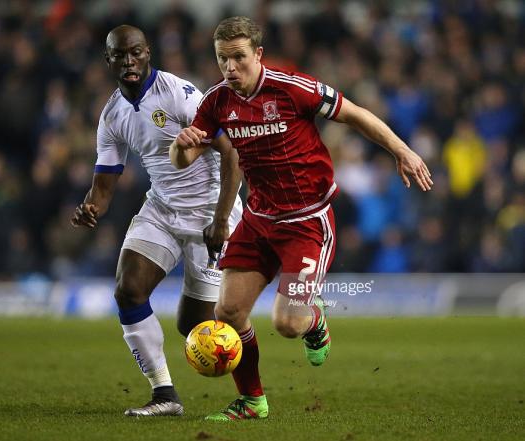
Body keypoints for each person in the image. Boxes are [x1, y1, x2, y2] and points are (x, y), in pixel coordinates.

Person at [170, 16, 433, 421]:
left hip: (308, 220)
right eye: (223, 59)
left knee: (288, 323)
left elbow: (356, 114)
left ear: (258, 55)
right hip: (258, 219)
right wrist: (181, 145)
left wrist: (403, 151)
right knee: (228, 313)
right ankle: (253, 402)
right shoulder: (216, 101)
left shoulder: (293, 88)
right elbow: (184, 158)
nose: (230, 68)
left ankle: (314, 320)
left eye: (239, 57)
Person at [71, 25, 242, 417]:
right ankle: (164, 394)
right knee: (128, 290)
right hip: (162, 209)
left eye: (136, 53)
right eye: (120, 55)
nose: (129, 61)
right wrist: (91, 207)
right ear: (108, 60)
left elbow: (230, 152)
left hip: (209, 211)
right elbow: (104, 183)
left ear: (148, 53)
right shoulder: (112, 114)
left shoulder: (180, 95)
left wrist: (221, 219)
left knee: (195, 329)